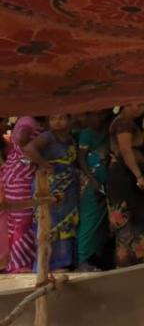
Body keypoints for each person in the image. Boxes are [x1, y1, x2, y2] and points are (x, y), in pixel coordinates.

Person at [24, 114, 82, 270]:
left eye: (62, 118)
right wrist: (44, 164)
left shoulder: (70, 138)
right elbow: (29, 148)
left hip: (68, 188)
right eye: (53, 118)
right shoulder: (47, 137)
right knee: (49, 224)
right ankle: (49, 265)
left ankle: (64, 262)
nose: (57, 121)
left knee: (66, 225)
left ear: (70, 120)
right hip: (50, 186)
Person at [107, 104, 144, 267]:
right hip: (125, 178)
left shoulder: (128, 122)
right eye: (137, 104)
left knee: (136, 222)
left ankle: (137, 262)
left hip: (128, 177)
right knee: (126, 224)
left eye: (143, 105)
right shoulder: (123, 123)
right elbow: (126, 150)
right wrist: (138, 176)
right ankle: (126, 264)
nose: (140, 108)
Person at [3, 117, 43, 272]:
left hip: (14, 175)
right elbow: (21, 138)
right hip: (21, 179)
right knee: (23, 224)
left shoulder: (25, 120)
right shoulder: (28, 121)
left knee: (16, 225)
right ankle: (21, 266)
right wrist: (32, 158)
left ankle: (18, 264)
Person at [76, 111, 111, 269]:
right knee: (89, 220)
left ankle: (95, 256)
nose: (100, 117)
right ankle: (83, 258)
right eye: (96, 115)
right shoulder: (86, 134)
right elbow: (81, 158)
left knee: (101, 222)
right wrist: (93, 180)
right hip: (92, 183)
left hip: (104, 181)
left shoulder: (106, 132)